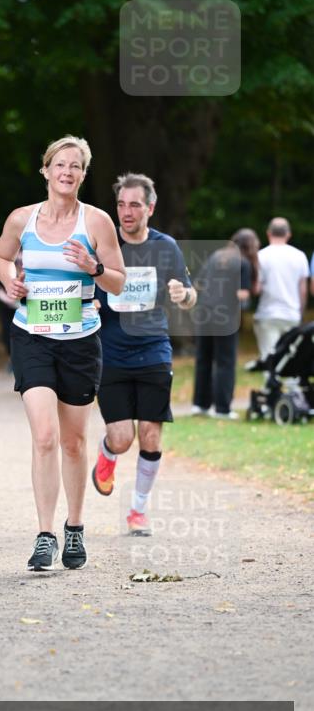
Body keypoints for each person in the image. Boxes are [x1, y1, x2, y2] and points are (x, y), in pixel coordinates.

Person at [0, 135, 126, 572]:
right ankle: (45, 535)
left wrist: (94, 268)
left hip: (81, 341)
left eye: (75, 166)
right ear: (46, 170)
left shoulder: (97, 222)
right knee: (45, 436)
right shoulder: (22, 219)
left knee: (73, 442)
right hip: (31, 336)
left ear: (83, 175)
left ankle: (75, 527)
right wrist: (9, 281)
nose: (67, 172)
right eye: (60, 164)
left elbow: (119, 281)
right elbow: (1, 256)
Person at [91, 172, 197, 537]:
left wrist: (184, 295)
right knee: (122, 438)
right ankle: (108, 454)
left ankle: (137, 510)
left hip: (153, 349)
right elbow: (84, 287)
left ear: (150, 208)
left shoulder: (165, 247)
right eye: (121, 204)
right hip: (111, 352)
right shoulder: (103, 245)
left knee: (150, 435)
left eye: (134, 205)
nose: (126, 212)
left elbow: (190, 293)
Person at [191, 228, 260, 419]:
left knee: (203, 359)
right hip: (225, 317)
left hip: (204, 313)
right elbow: (243, 294)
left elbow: (198, 283)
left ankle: (200, 405)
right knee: (225, 362)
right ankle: (222, 409)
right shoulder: (243, 262)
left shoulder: (216, 256)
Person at [253, 218, 309, 361]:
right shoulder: (300, 256)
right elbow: (303, 291)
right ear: (288, 234)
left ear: (268, 233)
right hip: (291, 314)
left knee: (269, 359)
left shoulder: (260, 256)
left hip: (268, 314)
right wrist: (300, 313)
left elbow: (257, 289)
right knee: (289, 360)